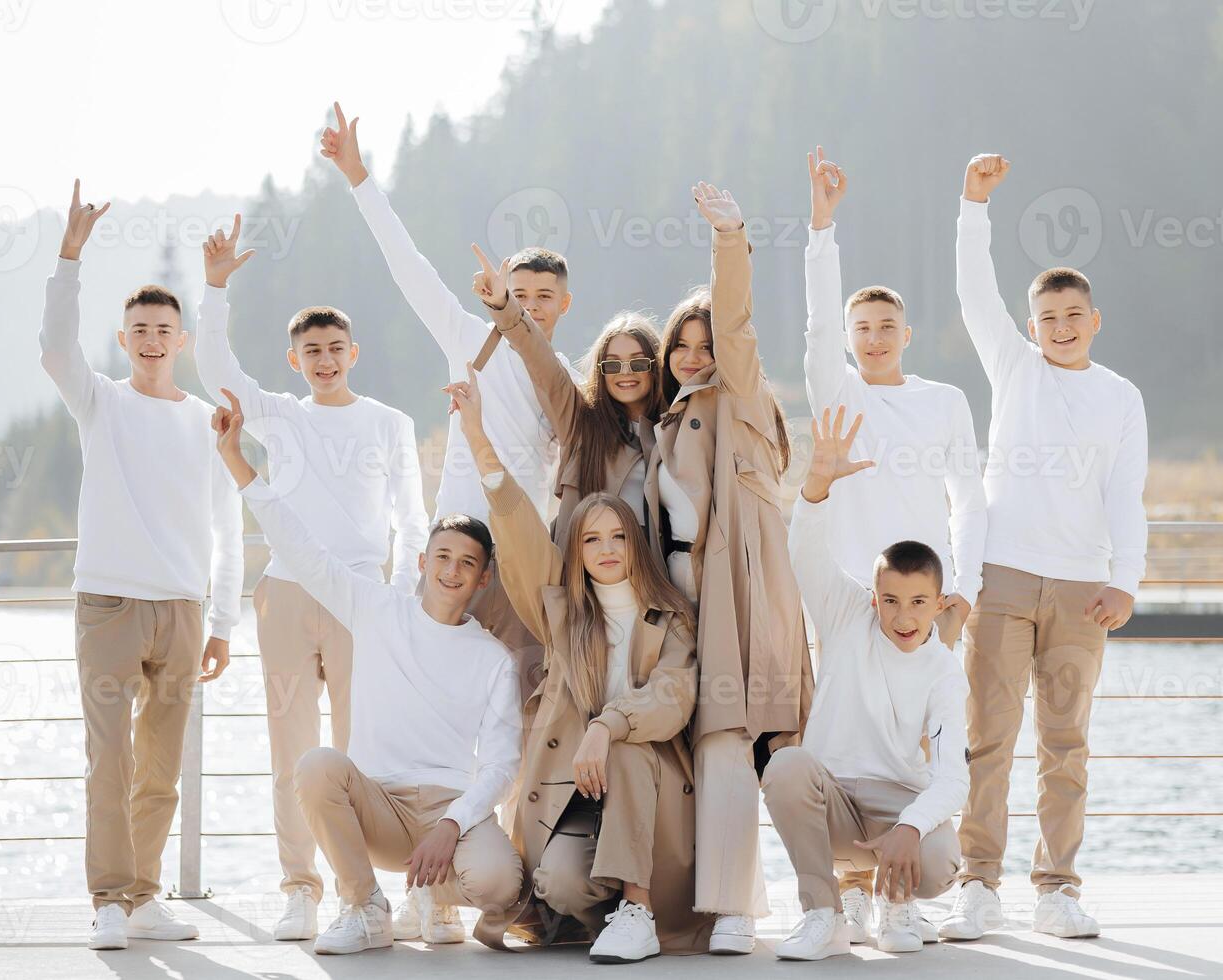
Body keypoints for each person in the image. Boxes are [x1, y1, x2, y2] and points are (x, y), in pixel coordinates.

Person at [211, 389, 524, 957]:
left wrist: (453, 823)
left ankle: (434, 897)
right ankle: (365, 906)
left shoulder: (493, 659)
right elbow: (299, 546)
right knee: (316, 766)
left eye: (468, 564)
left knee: (501, 882)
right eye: (443, 558)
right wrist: (238, 462)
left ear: (482, 580)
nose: (452, 571)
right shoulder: (375, 607)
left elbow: (502, 763)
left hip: (446, 812)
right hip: (377, 803)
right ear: (423, 562)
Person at [193, 216, 428, 941]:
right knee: (291, 745)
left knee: (368, 751)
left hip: (364, 597)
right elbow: (213, 369)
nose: (325, 360)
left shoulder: (389, 423)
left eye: (335, 349)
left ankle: (380, 891)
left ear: (353, 353)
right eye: (311, 351)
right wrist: (214, 287)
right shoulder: (279, 416)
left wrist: (406, 592)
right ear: (294, 361)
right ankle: (301, 886)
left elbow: (412, 518)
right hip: (289, 594)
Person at [941, 154, 1148, 942]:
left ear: (1094, 320)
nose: (1060, 328)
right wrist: (973, 205)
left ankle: (1057, 888)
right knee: (985, 738)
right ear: (1032, 328)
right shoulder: (1015, 368)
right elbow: (972, 291)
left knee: (1065, 743)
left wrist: (1124, 581)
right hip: (1002, 579)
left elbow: (1124, 495)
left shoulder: (1121, 396)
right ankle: (977, 884)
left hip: (1080, 591)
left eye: (1073, 316)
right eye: (1047, 319)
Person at [446, 363, 710, 963]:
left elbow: (673, 697)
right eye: (591, 539)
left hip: (648, 783)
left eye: (617, 536)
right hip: (575, 788)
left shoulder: (671, 614)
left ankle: (640, 909)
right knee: (561, 883)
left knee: (632, 745)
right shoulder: (563, 614)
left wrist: (606, 725)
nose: (607, 550)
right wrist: (478, 436)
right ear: (578, 553)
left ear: (635, 543)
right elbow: (514, 529)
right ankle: (608, 916)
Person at [38, 180, 244, 951]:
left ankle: (146, 895)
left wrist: (223, 620)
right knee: (109, 762)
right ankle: (108, 903)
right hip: (110, 607)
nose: (153, 339)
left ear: (180, 339)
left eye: (164, 328)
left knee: (162, 768)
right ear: (124, 340)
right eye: (139, 330)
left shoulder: (204, 422)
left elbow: (228, 522)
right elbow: (55, 348)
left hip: (183, 613)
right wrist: (69, 258)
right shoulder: (100, 404)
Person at [319, 101, 582, 702]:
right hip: (454, 550)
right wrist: (359, 178)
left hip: (522, 560)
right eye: (519, 293)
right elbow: (407, 267)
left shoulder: (568, 377)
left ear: (564, 305)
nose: (531, 305)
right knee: (430, 695)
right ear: (498, 294)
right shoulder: (467, 338)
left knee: (522, 696)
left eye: (545, 296)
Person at [801, 146, 988, 939]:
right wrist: (822, 225)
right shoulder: (835, 388)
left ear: (907, 333)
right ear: (846, 338)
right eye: (860, 328)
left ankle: (898, 891)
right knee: (841, 747)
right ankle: (841, 894)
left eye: (886, 327)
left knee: (919, 746)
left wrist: (962, 593)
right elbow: (813, 326)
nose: (874, 338)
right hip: (846, 600)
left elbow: (970, 496)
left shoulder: (943, 401)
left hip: (924, 605)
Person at [651, 181, 813, 954]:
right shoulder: (670, 415)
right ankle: (711, 898)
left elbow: (738, 320)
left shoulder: (738, 395)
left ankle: (737, 910)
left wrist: (729, 239)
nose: (692, 355)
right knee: (693, 750)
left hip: (737, 594)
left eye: (702, 343)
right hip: (678, 597)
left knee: (731, 740)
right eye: (679, 344)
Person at [764, 406, 968, 961]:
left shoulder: (944, 670)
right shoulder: (848, 614)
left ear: (939, 604)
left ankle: (899, 901)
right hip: (832, 796)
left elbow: (952, 779)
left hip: (896, 798)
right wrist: (817, 485)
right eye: (892, 602)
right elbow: (804, 553)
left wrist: (910, 826)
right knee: (784, 765)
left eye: (919, 603)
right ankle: (823, 915)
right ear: (874, 598)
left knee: (941, 861)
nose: (904, 617)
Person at [470, 244, 664, 555]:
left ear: (656, 367)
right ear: (599, 371)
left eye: (639, 363)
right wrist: (505, 306)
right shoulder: (581, 422)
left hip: (653, 576)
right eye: (612, 364)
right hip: (584, 580)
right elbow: (539, 357)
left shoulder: (675, 431)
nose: (625, 373)